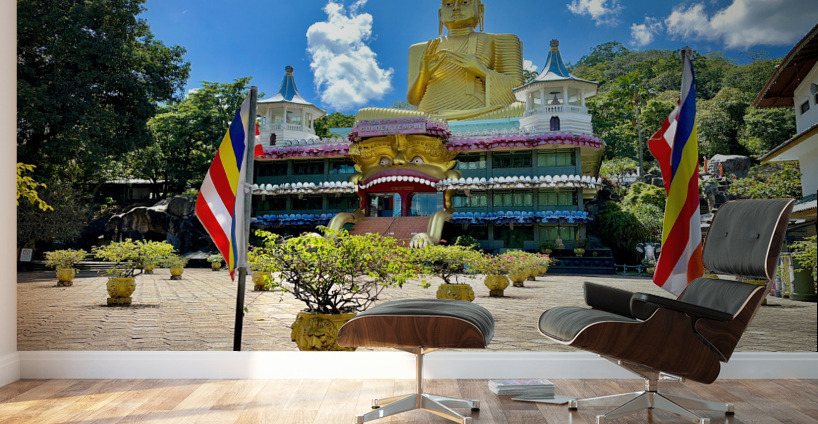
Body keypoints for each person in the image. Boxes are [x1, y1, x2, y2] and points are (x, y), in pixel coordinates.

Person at [357, 0, 524, 121]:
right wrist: (424, 73)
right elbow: (414, 100)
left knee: (522, 109)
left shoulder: (501, 40)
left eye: (464, 2)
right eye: (449, 4)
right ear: (440, 13)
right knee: (365, 115)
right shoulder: (421, 48)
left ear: (480, 10)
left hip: (477, 113)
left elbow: (518, 92)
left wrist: (481, 71)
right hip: (428, 117)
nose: (456, 8)